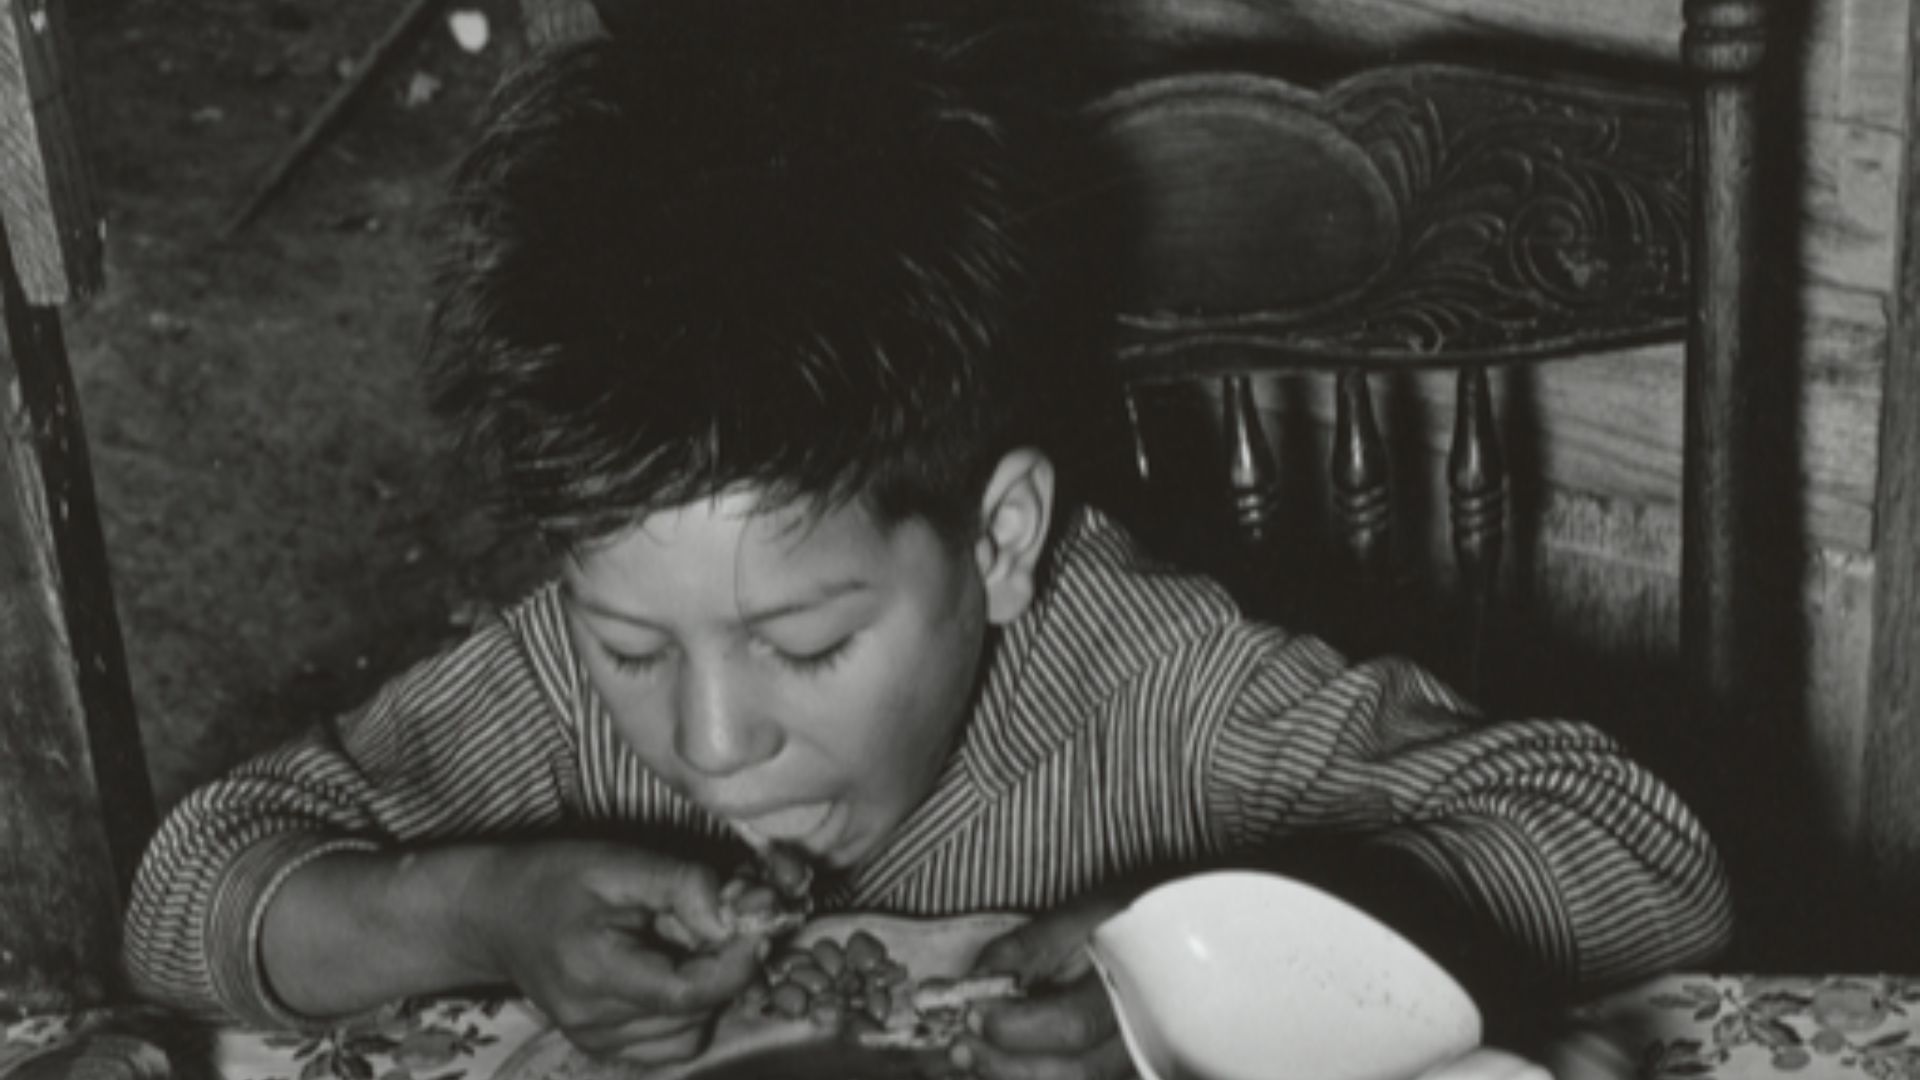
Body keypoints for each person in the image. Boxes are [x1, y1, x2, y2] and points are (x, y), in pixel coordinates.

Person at [123, 4, 1733, 1077]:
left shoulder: (1151, 685)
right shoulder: (551, 694)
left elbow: (1636, 852)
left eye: (808, 643)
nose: (712, 741)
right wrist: (478, 911)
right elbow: (187, 897)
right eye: (631, 645)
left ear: (1004, 539)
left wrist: (1220, 946)